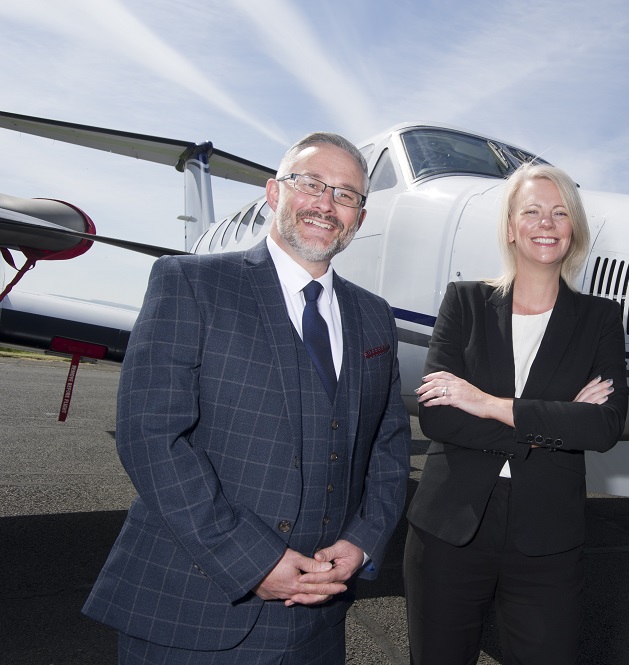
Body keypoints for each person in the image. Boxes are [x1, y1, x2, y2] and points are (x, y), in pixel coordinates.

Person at [83, 132, 411, 663]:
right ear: (275, 194)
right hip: (193, 612)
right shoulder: (189, 283)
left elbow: (389, 446)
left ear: (360, 218)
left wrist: (364, 540)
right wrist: (250, 560)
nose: (327, 204)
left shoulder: (374, 317)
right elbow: (150, 436)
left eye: (346, 195)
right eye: (311, 184)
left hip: (317, 625)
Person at [403, 163, 629, 664]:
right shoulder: (464, 303)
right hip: (448, 531)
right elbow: (437, 415)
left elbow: (604, 425)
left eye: (560, 212)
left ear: (574, 228)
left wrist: (486, 404)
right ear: (510, 227)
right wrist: (556, 420)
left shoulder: (600, 318)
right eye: (532, 211)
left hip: (547, 539)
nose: (546, 223)